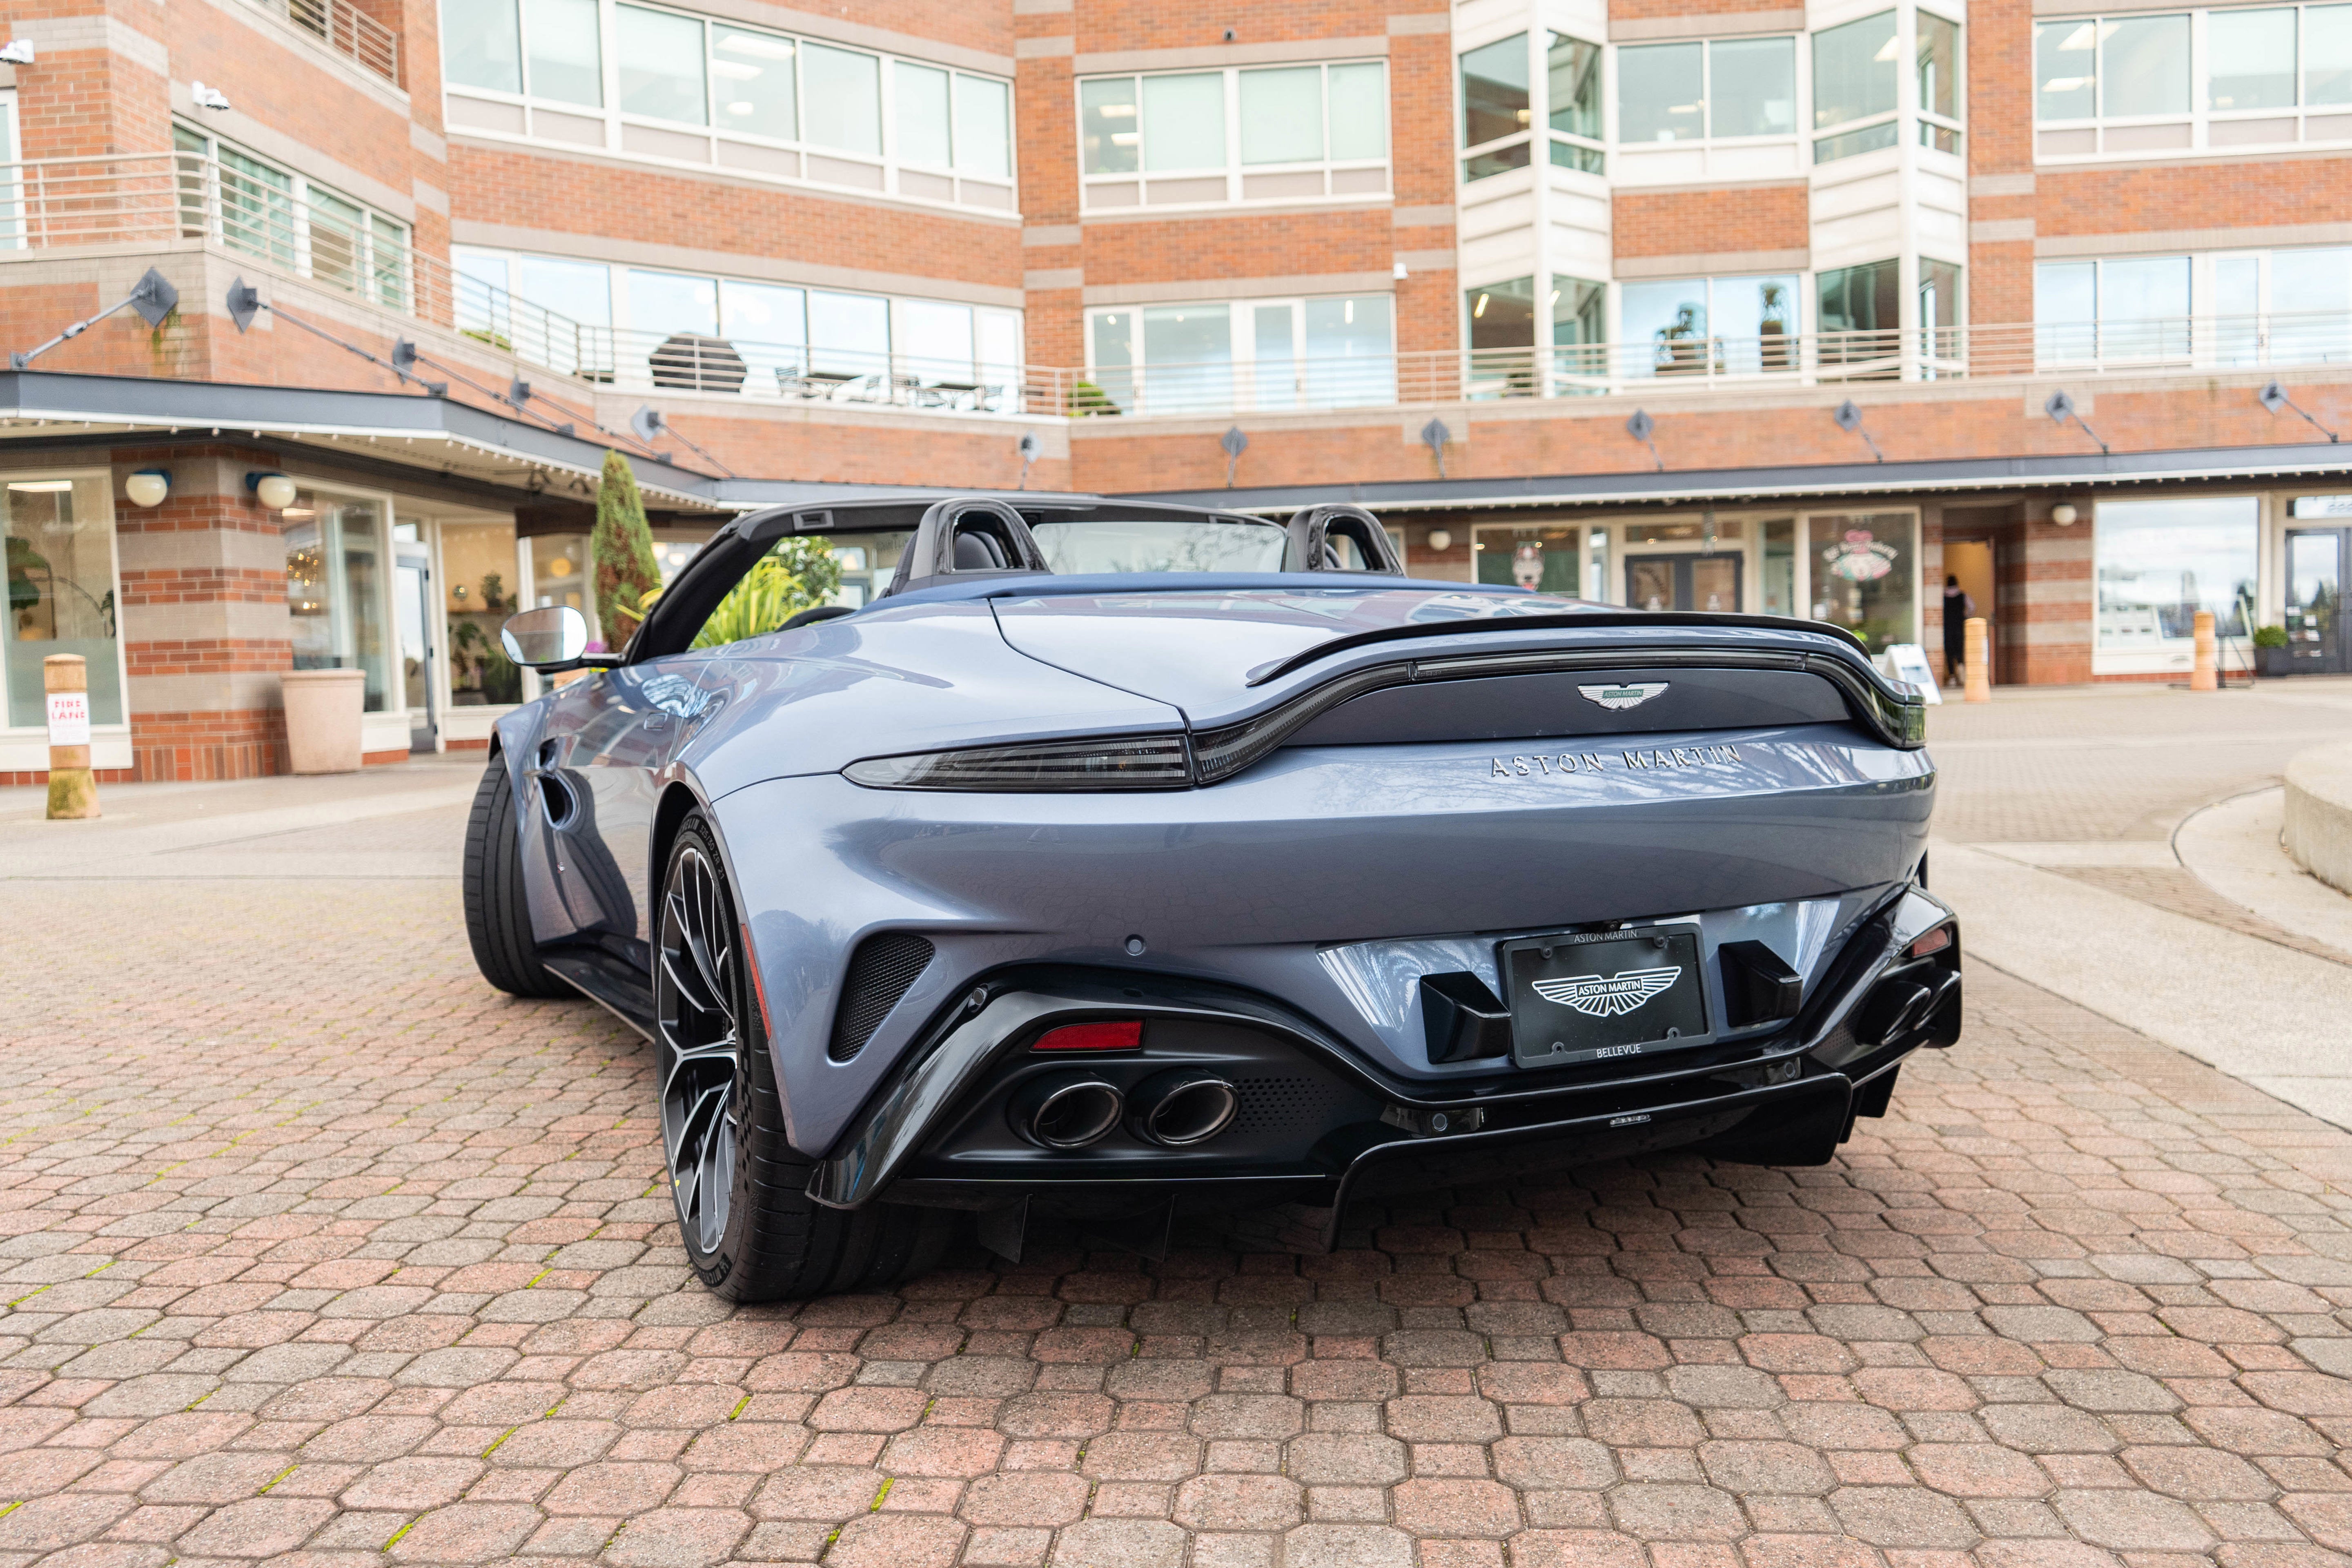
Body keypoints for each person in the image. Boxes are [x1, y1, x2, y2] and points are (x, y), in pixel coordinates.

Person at [1942, 574, 1974, 686]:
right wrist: (1966, 617)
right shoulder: (1962, 595)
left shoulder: (1943, 596)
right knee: (1960, 650)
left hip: (1947, 628)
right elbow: (1972, 607)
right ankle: (1962, 674)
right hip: (1959, 626)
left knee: (1949, 652)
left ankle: (1952, 677)